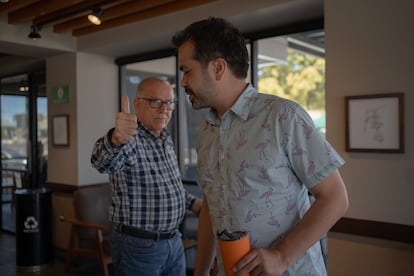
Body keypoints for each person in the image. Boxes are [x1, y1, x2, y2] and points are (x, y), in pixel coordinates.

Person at [172, 17, 349, 276]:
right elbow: (212, 202)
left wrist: (280, 256)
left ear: (218, 68)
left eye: (187, 70)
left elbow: (336, 197)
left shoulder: (283, 116)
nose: (183, 82)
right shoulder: (206, 132)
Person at [91, 77, 202, 276]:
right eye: (155, 101)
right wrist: (115, 139)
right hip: (139, 247)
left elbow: (170, 187)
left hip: (174, 241)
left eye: (168, 103)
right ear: (137, 104)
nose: (163, 109)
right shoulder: (129, 139)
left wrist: (193, 203)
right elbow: (101, 162)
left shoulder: (165, 139)